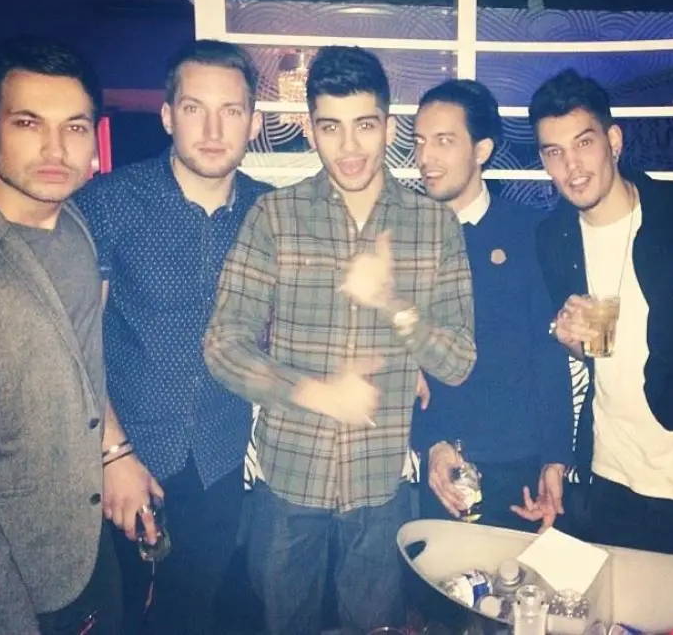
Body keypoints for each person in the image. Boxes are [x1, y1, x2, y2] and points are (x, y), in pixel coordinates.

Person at [203, 45, 476, 635]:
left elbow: (457, 362)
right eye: (331, 127)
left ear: (389, 127)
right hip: (289, 479)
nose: (349, 147)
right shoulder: (274, 217)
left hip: (380, 485)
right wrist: (317, 393)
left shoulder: (435, 226)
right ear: (310, 129)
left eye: (365, 126)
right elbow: (223, 344)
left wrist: (393, 303)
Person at [73, 39, 272, 635]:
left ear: (253, 122)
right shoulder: (108, 203)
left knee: (195, 610)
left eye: (231, 110)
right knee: (117, 616)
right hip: (125, 455)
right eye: (193, 108)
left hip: (218, 458)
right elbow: (75, 345)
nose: (212, 129)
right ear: (167, 116)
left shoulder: (270, 214)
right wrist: (112, 455)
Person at [0, 37, 127, 634]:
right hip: (10, 573)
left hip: (85, 543)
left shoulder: (75, 228)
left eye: (74, 126)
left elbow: (82, 367)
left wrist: (115, 453)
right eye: (27, 123)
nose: (54, 148)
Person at [532, 68, 673, 555]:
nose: (572, 166)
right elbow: (586, 353)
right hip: (611, 474)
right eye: (553, 152)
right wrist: (567, 339)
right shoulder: (554, 238)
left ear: (614, 140)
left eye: (584, 143)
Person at [410, 79, 573, 532]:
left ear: (481, 150)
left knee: (514, 576)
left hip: (518, 463)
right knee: (439, 575)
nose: (425, 157)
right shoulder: (405, 238)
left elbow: (548, 353)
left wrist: (555, 458)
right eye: (419, 141)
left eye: (444, 141)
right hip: (442, 459)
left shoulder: (529, 231)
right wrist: (430, 442)